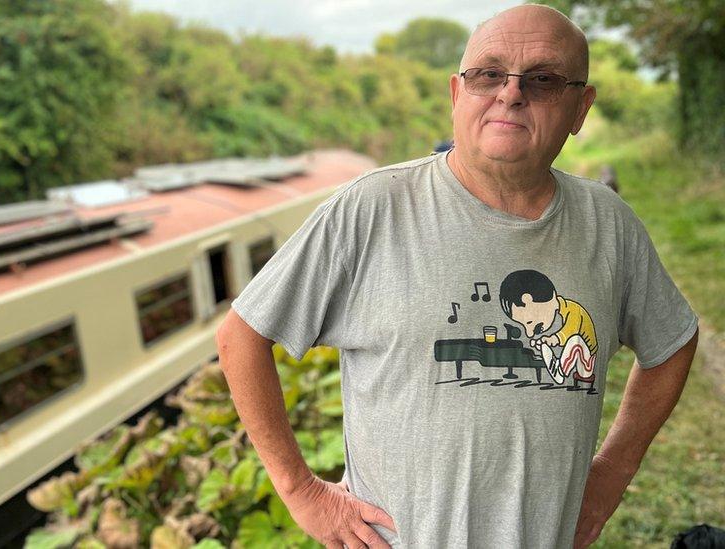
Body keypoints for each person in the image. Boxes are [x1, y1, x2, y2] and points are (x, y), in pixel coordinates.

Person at [214, 4, 700, 549]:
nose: (510, 94)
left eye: (542, 80)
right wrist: (301, 490)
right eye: (488, 74)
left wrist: (612, 472)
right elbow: (242, 336)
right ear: (456, 93)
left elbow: (673, 342)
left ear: (580, 108)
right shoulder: (372, 208)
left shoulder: (608, 224)